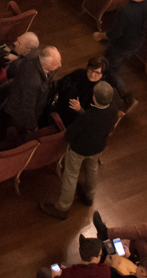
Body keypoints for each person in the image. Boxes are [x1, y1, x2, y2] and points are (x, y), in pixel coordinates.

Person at [42, 79, 122, 218]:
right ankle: (89, 196)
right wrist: (81, 112)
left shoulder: (86, 118)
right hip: (98, 147)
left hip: (79, 150)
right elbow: (96, 122)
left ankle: (63, 207)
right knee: (92, 169)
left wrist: (80, 114)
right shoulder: (113, 109)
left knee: (71, 175)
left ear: (94, 98)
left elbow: (69, 135)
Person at [99, 0, 147, 97]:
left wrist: (100, 35)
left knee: (112, 68)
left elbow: (114, 34)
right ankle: (105, 85)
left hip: (121, 45)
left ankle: (126, 97)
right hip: (137, 44)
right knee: (114, 65)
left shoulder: (125, 10)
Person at [3, 45, 62, 138]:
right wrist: (33, 127)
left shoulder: (37, 54)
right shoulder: (34, 82)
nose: (60, 65)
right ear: (45, 65)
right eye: (56, 64)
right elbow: (27, 107)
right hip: (19, 114)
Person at [53, 56, 111, 127]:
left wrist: (80, 109)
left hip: (76, 121)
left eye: (97, 72)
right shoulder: (79, 73)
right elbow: (61, 84)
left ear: (103, 75)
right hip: (61, 108)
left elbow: (93, 117)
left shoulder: (101, 90)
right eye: (91, 69)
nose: (92, 74)